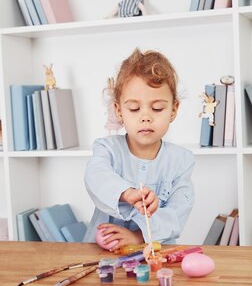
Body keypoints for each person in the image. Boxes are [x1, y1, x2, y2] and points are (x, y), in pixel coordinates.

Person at [83, 48, 194, 251]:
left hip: (155, 254)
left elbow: (178, 212)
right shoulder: (107, 149)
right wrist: (126, 193)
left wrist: (137, 236)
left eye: (157, 108)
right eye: (134, 108)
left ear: (173, 110)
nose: (145, 117)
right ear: (119, 111)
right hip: (103, 255)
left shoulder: (181, 160)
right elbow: (95, 176)